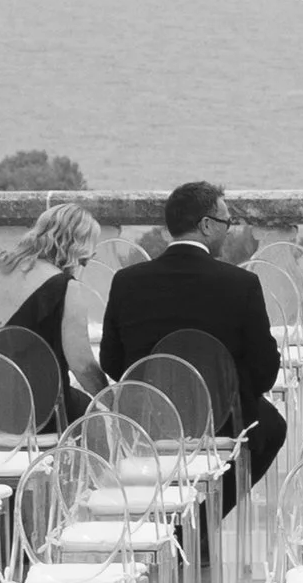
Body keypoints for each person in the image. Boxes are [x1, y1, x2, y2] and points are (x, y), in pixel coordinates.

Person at [99, 178, 285, 507]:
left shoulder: (127, 282)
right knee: (272, 427)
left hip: (147, 420)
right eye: (226, 223)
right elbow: (265, 372)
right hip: (223, 421)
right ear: (206, 225)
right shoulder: (241, 284)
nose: (229, 231)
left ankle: (176, 515)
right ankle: (204, 515)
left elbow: (113, 363)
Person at [0, 197, 105, 418]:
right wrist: (109, 397)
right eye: (84, 261)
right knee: (96, 416)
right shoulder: (65, 288)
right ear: (75, 250)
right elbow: (82, 366)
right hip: (36, 413)